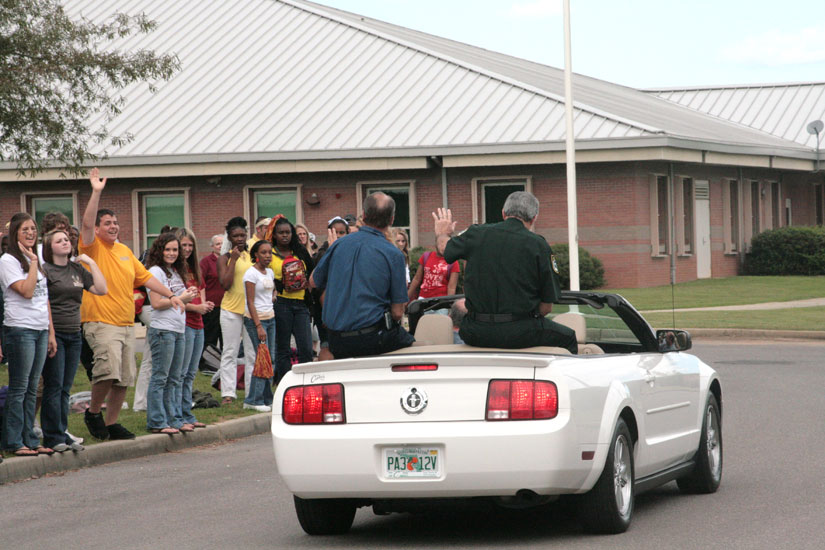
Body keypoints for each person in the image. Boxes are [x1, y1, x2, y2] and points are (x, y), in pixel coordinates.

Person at [80, 168, 186, 441]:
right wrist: (96, 191)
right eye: (107, 223)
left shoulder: (125, 251)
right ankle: (93, 413)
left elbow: (146, 277)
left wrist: (172, 295)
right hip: (101, 322)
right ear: (98, 227)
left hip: (126, 323)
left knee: (124, 378)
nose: (112, 226)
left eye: (115, 222)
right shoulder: (91, 247)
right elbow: (86, 225)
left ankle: (112, 423)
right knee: (107, 371)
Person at [434, 191, 577, 354]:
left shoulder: (476, 233)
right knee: (569, 337)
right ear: (534, 218)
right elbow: (546, 308)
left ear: (503, 213)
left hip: (475, 332)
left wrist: (443, 233)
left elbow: (445, 248)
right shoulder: (539, 245)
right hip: (521, 333)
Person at [311, 192, 414, 359]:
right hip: (374, 338)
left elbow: (313, 281)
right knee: (415, 347)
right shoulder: (394, 254)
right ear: (392, 219)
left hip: (337, 340)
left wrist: (331, 253)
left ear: (364, 216)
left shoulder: (338, 245)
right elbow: (397, 312)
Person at [41, 229, 107, 452]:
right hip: (55, 334)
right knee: (54, 385)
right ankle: (52, 436)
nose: (65, 243)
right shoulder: (46, 270)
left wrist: (91, 262)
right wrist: (50, 335)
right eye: (59, 241)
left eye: (67, 240)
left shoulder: (77, 269)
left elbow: (101, 288)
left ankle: (63, 433)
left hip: (74, 333)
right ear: (50, 248)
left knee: (65, 387)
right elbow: (44, 304)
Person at [0, 213, 56, 456]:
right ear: (15, 234)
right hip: (20, 329)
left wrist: (51, 332)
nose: (31, 233)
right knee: (19, 387)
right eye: (25, 230)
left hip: (40, 328)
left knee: (33, 387)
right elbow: (26, 290)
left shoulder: (35, 258)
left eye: (33, 229)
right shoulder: (8, 260)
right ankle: (14, 441)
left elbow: (44, 299)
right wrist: (33, 263)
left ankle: (30, 439)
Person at [144, 233, 199, 434]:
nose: (172, 253)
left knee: (175, 378)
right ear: (159, 250)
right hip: (163, 331)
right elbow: (157, 304)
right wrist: (182, 298)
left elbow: (178, 300)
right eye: (167, 249)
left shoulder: (175, 272)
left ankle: (174, 419)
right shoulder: (155, 272)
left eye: (175, 250)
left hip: (178, 330)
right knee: (161, 377)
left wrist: (186, 298)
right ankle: (157, 421)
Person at [175, 227, 213, 430]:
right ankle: (178, 415)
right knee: (181, 373)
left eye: (190, 245)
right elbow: (176, 299)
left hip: (199, 324)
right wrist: (196, 307)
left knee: (191, 373)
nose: (187, 249)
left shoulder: (194, 268)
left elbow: (201, 291)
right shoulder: (174, 270)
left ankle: (187, 415)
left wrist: (204, 306)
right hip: (184, 324)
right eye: (184, 245)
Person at [269, 217, 314, 382]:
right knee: (283, 349)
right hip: (281, 304)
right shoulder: (270, 253)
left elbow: (312, 269)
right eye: (281, 233)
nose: (285, 236)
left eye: (288, 232)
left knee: (306, 348)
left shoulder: (300, 251)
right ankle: (286, 384)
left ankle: (306, 383)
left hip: (301, 304)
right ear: (274, 235)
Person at [216, 216, 255, 405]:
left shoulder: (252, 256)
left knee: (251, 353)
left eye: (243, 235)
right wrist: (233, 259)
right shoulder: (224, 258)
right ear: (229, 238)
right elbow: (225, 283)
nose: (240, 238)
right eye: (235, 236)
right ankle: (228, 393)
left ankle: (251, 391)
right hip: (230, 310)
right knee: (229, 351)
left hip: (250, 311)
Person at [242, 239, 276, 411]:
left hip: (271, 318)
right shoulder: (251, 274)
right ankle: (253, 400)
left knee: (271, 359)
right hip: (257, 320)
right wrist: (258, 326)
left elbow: (271, 289)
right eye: (263, 252)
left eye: (269, 252)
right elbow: (250, 301)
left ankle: (267, 398)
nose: (267, 256)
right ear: (256, 254)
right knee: (262, 359)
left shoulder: (269, 272)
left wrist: (273, 295)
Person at [407, 234, 460, 301]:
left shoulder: (453, 262)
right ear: (436, 245)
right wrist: (407, 297)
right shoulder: (426, 256)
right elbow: (417, 279)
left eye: (447, 244)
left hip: (441, 301)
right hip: (423, 299)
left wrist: (449, 303)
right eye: (441, 243)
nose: (444, 247)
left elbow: (451, 287)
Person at [200, 234, 225, 356]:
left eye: (222, 243)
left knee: (226, 339)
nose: (220, 246)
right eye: (217, 244)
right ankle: (207, 363)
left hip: (227, 306)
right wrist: (203, 302)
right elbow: (201, 283)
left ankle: (224, 364)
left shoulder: (229, 260)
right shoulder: (206, 262)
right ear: (212, 246)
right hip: (212, 307)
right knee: (211, 338)